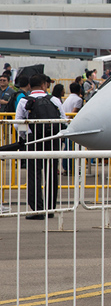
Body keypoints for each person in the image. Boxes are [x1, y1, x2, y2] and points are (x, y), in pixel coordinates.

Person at [15, 73, 66, 219]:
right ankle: (50, 209)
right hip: (52, 141)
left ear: (30, 86)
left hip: (34, 142)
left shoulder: (24, 101)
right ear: (44, 85)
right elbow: (63, 120)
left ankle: (37, 209)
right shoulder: (54, 100)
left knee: (34, 174)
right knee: (51, 173)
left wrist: (27, 137)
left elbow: (19, 123)